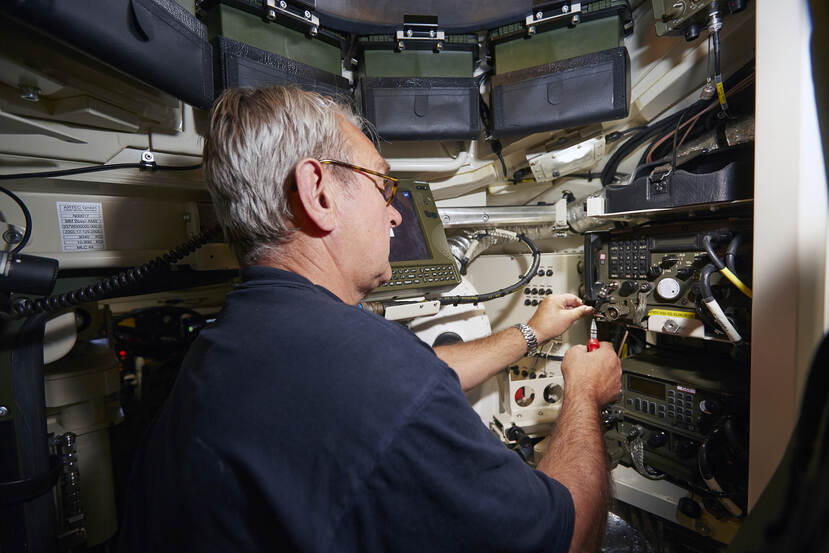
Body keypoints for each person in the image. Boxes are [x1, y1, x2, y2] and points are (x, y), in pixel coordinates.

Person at [118, 86, 621, 553]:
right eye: (383, 184)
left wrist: (531, 333)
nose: (396, 213)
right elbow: (568, 537)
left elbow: (421, 376)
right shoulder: (378, 374)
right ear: (317, 192)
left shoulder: (231, 342)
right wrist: (583, 392)